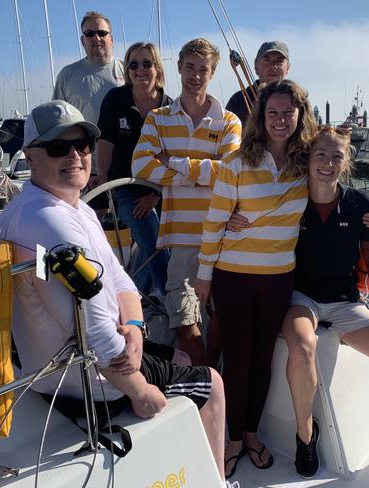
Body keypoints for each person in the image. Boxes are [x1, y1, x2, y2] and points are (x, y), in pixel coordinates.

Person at [0, 100, 237, 488]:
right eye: (58, 147)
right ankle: (217, 483)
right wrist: (140, 390)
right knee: (211, 384)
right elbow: (93, 332)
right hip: (86, 378)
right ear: (30, 157)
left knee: (176, 354)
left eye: (83, 146)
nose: (74, 155)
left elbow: (122, 279)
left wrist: (137, 326)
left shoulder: (73, 208)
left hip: (90, 357)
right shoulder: (48, 220)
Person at [282, 126, 369, 487]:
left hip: (346, 302)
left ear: (346, 163)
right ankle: (305, 436)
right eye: (321, 155)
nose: (328, 163)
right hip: (301, 298)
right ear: (309, 160)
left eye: (336, 156)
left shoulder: (359, 206)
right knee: (302, 345)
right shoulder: (290, 199)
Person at [196, 79, 315, 477]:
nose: (280, 120)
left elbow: (335, 188)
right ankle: (230, 438)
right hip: (233, 276)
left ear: (300, 117)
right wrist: (204, 276)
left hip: (278, 278)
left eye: (288, 113)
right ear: (260, 119)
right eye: (272, 113)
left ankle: (250, 432)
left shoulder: (306, 164)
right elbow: (214, 222)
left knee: (263, 360)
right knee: (239, 358)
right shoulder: (237, 163)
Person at [132, 38, 241, 366]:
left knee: (220, 312)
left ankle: (210, 381)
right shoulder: (158, 119)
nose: (196, 75)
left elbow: (233, 173)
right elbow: (140, 166)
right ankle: (208, 380)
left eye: (203, 69)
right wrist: (205, 169)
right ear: (179, 68)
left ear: (212, 72)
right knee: (182, 319)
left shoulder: (229, 121)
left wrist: (176, 163)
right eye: (190, 67)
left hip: (223, 235)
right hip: (181, 238)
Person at [93, 42, 171, 302]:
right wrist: (103, 181)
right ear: (127, 70)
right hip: (125, 185)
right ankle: (170, 298)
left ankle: (134, 298)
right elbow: (105, 143)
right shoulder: (116, 100)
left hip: (160, 187)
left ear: (157, 69)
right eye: (133, 64)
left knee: (166, 240)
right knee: (153, 238)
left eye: (146, 63)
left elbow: (172, 157)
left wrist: (156, 195)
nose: (140, 69)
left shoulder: (169, 107)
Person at [53, 11, 123, 132]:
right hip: (83, 150)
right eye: (89, 34)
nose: (96, 38)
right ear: (82, 41)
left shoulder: (129, 70)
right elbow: (57, 118)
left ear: (111, 40)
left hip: (125, 150)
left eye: (102, 33)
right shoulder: (67, 75)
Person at [225, 41, 290, 125]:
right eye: (267, 60)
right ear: (256, 67)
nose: (273, 66)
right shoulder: (238, 101)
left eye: (279, 61)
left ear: (288, 68)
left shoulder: (296, 100)